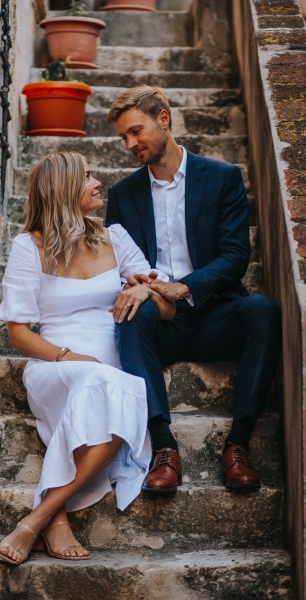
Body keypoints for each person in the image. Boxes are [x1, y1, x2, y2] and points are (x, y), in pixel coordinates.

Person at [0, 151, 175, 566]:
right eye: (87, 176)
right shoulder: (29, 246)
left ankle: (40, 519)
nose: (97, 182)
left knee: (122, 388)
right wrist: (73, 357)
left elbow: (165, 306)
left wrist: (146, 289)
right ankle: (49, 520)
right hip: (56, 364)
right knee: (107, 385)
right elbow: (18, 334)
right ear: (63, 190)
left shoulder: (115, 237)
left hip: (114, 363)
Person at [106, 85, 282, 494]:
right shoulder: (121, 195)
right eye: (123, 137)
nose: (130, 144)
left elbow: (236, 256)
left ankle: (238, 445)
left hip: (214, 314)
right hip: (159, 325)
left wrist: (181, 287)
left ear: (163, 119)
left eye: (136, 131)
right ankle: (164, 450)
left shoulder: (221, 178)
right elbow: (122, 264)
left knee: (263, 310)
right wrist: (141, 288)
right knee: (129, 311)